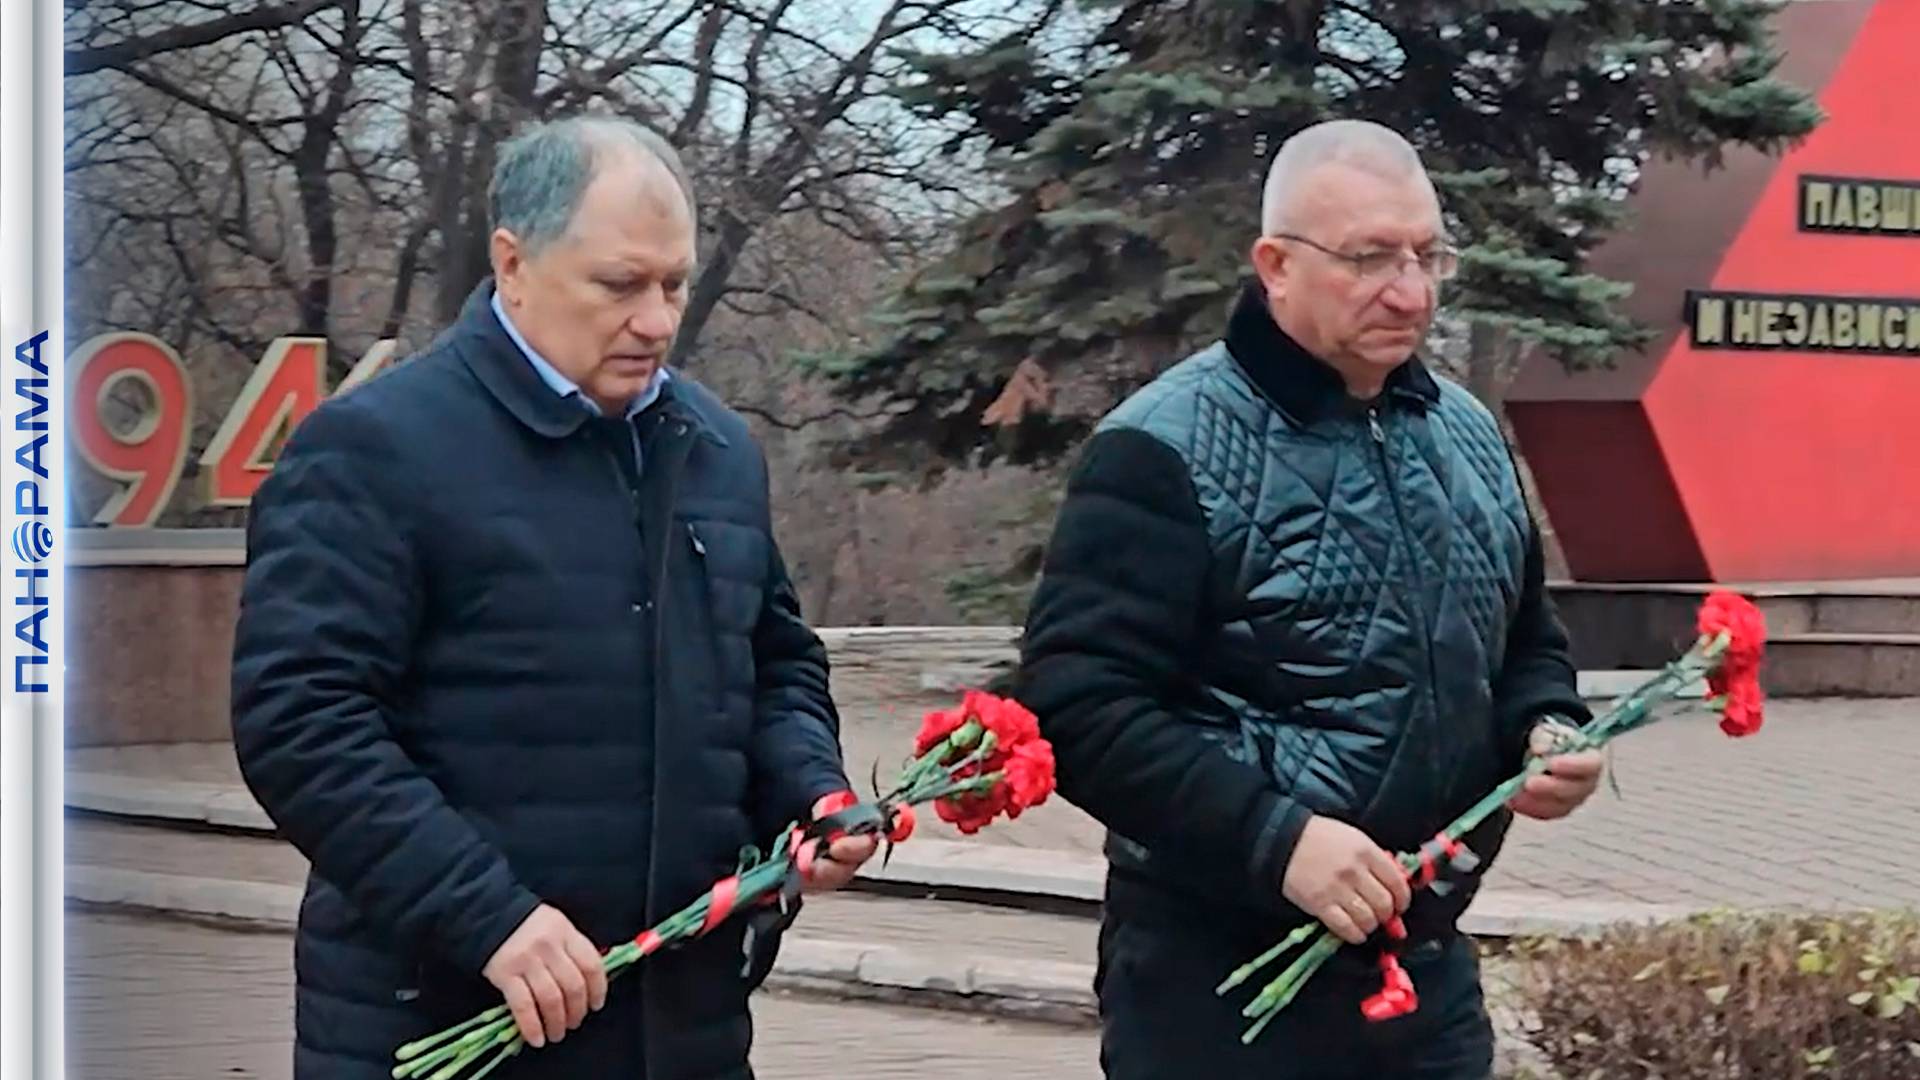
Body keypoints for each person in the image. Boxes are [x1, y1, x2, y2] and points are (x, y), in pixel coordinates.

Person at [230, 114, 877, 1080]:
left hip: (681, 1029)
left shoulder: (716, 450)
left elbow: (774, 661)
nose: (657, 319)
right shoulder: (376, 449)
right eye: (620, 284)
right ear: (514, 263)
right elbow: (301, 721)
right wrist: (487, 917)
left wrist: (810, 789)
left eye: (674, 283)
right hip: (448, 1017)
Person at [1015, 119, 1605, 1079]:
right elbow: (1078, 712)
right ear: (1276, 264)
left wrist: (1547, 727)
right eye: (1370, 258)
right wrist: (1274, 839)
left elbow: (1526, 638)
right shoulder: (1159, 450)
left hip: (1424, 975)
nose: (1409, 290)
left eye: (1427, 255)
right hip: (1221, 987)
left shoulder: (1466, 434)